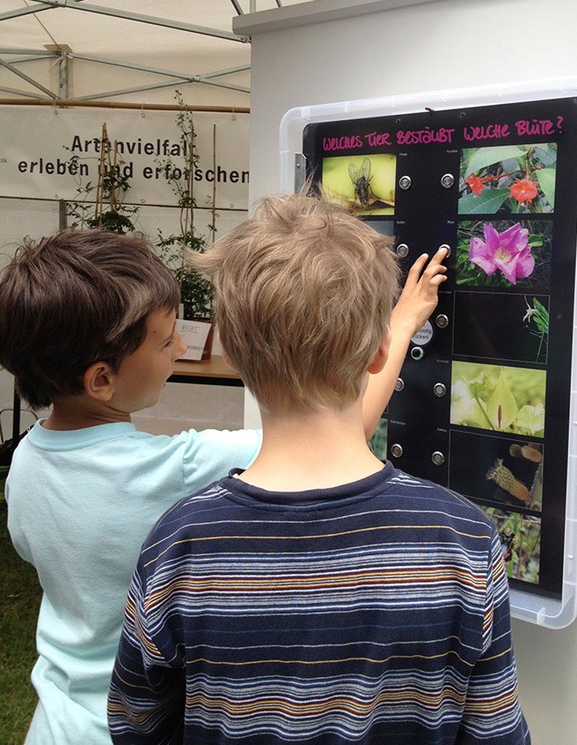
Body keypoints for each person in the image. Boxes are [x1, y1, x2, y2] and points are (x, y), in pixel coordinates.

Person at [0, 222, 446, 745]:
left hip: (56, 721)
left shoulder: (25, 461)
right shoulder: (176, 470)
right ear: (102, 380)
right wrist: (400, 319)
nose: (177, 350)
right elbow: (342, 430)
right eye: (168, 340)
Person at [108, 194, 530, 745]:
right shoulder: (464, 540)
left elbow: (135, 725)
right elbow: (496, 733)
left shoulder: (180, 543)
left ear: (231, 350)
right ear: (380, 350)